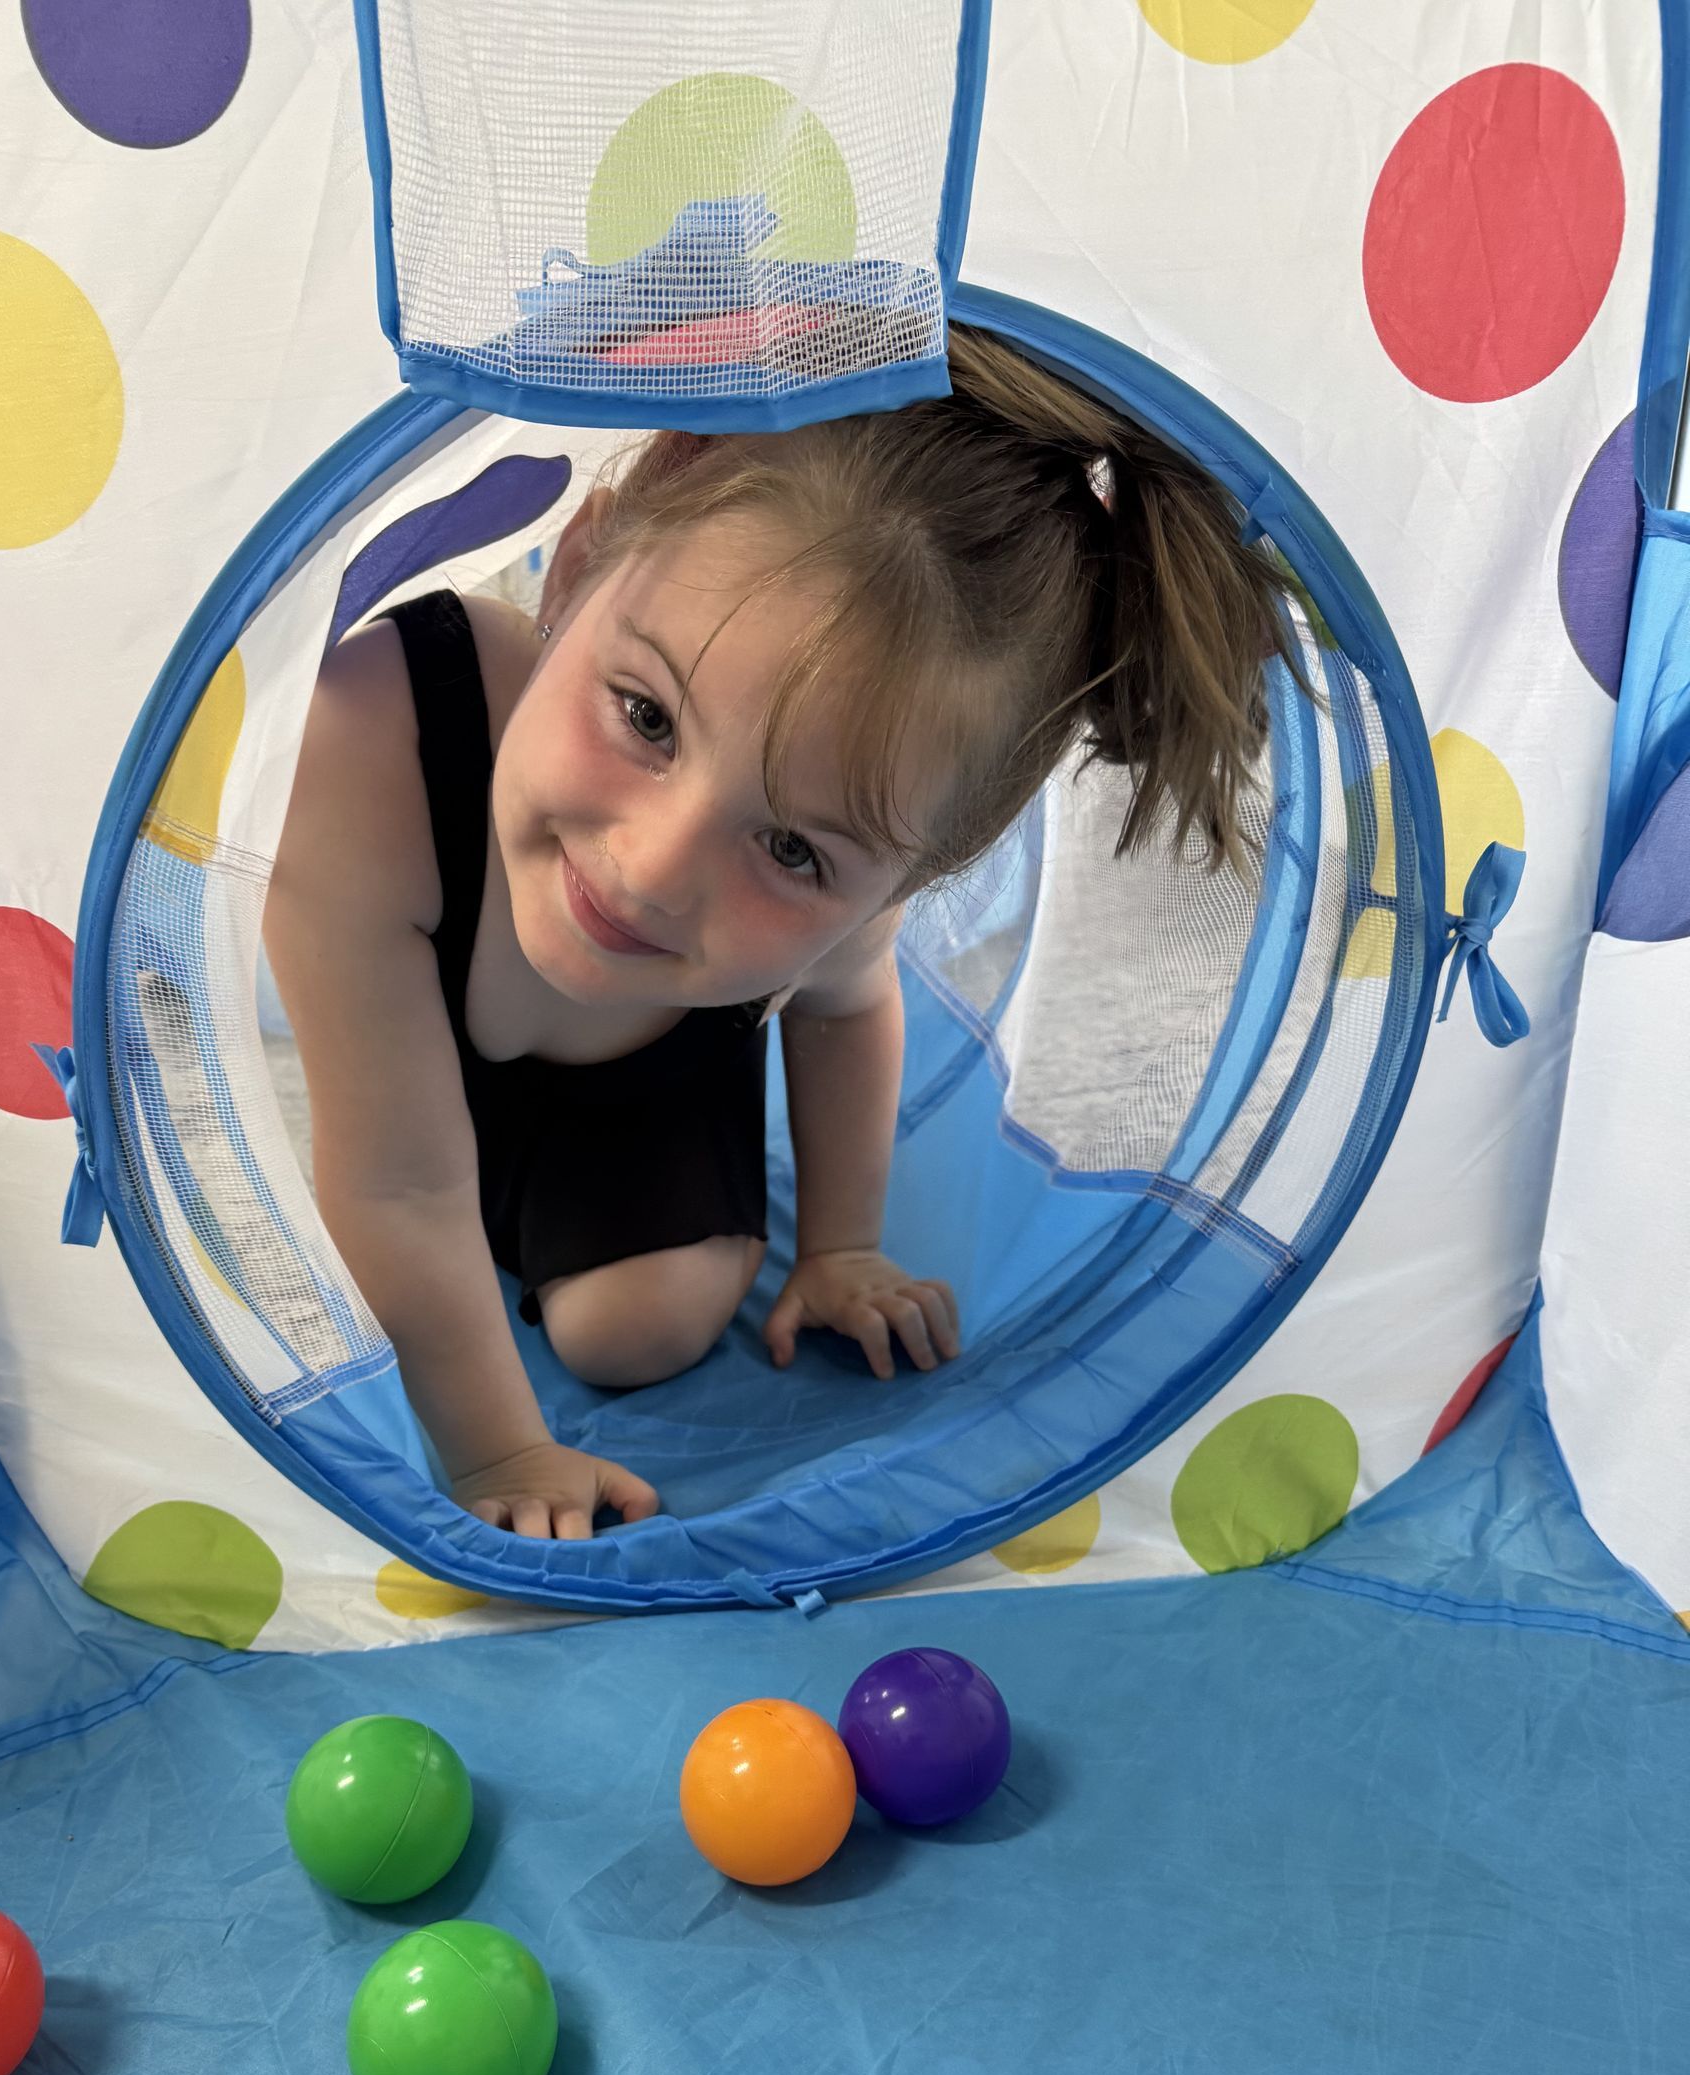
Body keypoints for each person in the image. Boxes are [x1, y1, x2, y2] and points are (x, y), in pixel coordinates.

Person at [264, 324, 1294, 1540]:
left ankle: (546, 1207)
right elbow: (395, 1172)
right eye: (646, 716)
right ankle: (498, 1200)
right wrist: (501, 1448)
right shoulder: (374, 734)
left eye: (794, 850)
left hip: (653, 1059)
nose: (649, 869)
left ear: (908, 882)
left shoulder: (845, 892)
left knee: (639, 1328)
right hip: (416, 1047)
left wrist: (843, 1248)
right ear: (580, 565)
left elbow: (850, 1003)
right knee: (404, 1222)